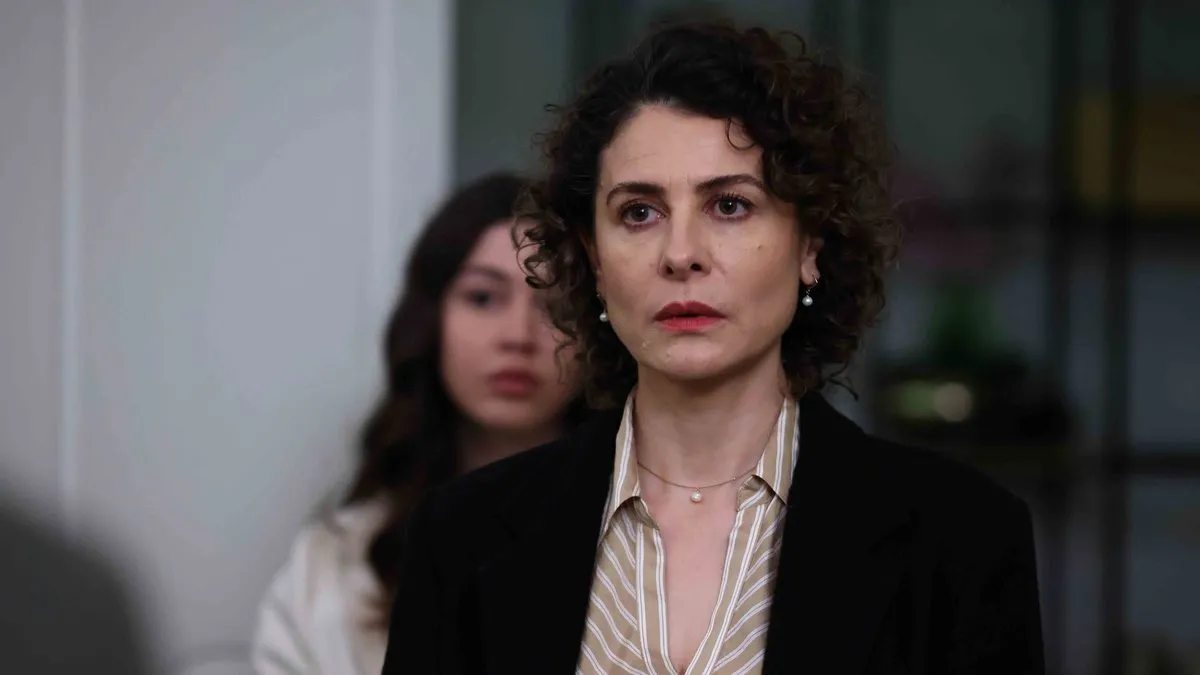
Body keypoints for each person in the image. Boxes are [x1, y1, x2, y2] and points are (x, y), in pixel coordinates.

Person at [381, 21, 1044, 675]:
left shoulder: (963, 536)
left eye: (729, 205)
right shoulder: (461, 535)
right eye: (639, 212)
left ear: (810, 243)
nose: (681, 254)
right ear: (595, 257)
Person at [252, 172, 584, 675]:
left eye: (556, 305)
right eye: (483, 298)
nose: (518, 335)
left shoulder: (650, 544)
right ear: (431, 321)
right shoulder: (334, 566)